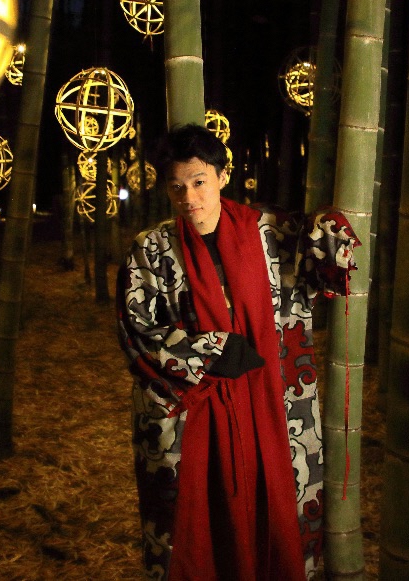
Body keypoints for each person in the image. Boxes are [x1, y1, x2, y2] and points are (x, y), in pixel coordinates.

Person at [116, 123, 359, 580]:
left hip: (271, 397)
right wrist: (213, 350)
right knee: (199, 526)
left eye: (199, 182)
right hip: (197, 404)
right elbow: (137, 331)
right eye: (176, 187)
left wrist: (330, 229)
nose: (189, 197)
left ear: (223, 176)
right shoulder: (150, 249)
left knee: (277, 509)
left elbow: (318, 261)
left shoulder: (269, 231)